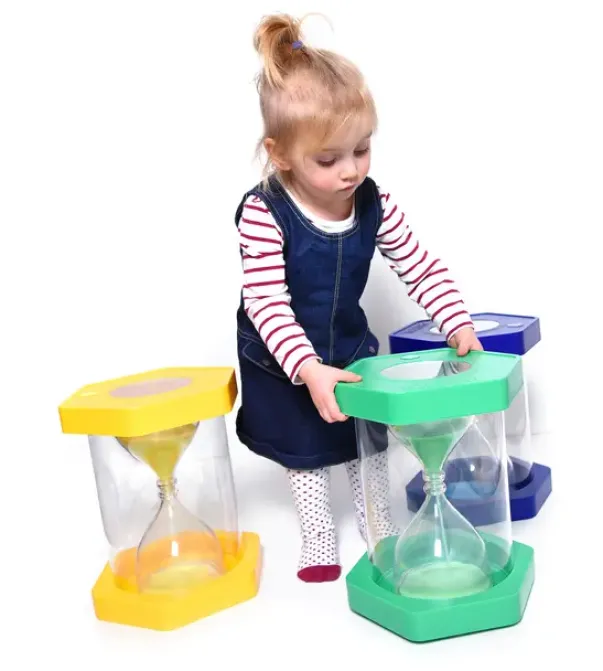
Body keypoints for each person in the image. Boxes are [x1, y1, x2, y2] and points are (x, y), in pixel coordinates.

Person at [233, 13, 483, 583]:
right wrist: (307, 368)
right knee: (304, 449)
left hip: (347, 346)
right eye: (328, 160)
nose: (350, 171)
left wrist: (456, 321)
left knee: (364, 439)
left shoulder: (374, 202)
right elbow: (267, 301)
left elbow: (418, 263)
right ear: (280, 153)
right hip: (282, 358)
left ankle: (378, 520)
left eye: (362, 150)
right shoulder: (264, 213)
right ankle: (318, 533)